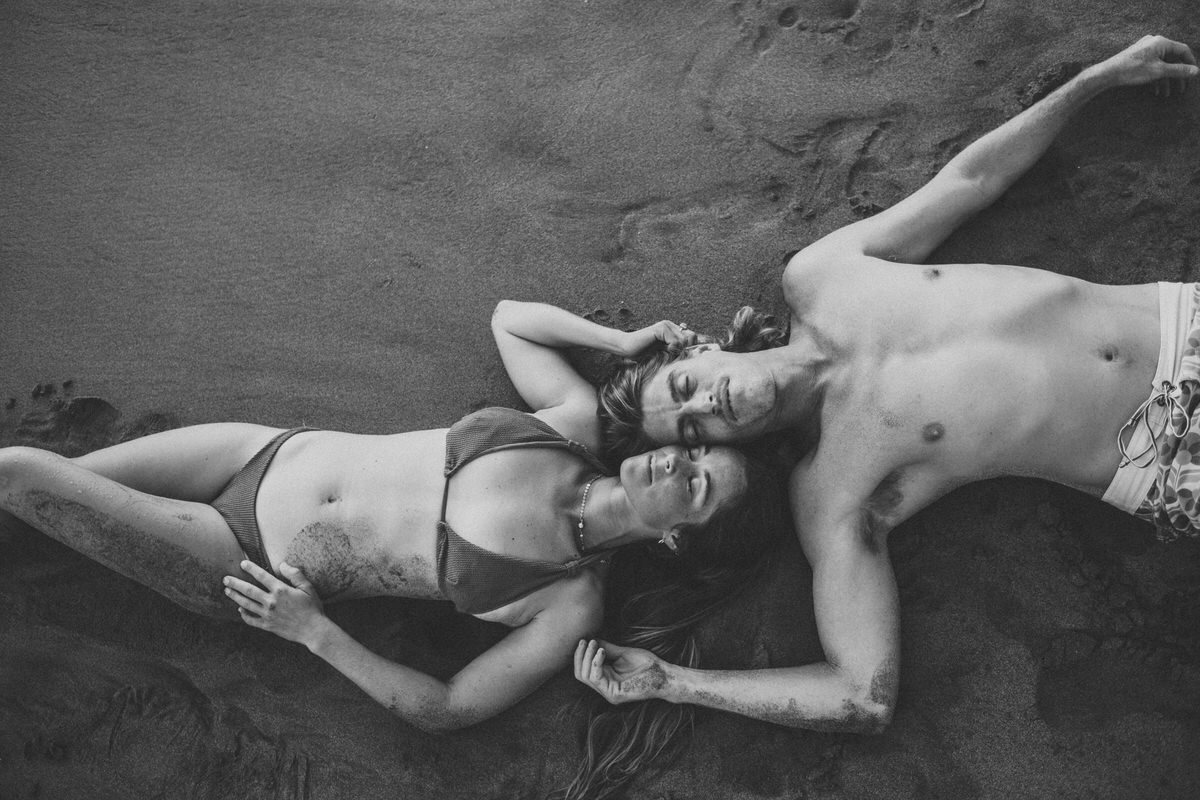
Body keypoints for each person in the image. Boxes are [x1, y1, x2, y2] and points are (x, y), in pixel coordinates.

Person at [567, 35, 1200, 732]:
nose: (704, 407)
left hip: (1179, 318)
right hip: (1167, 458)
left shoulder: (819, 278)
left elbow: (969, 185)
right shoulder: (832, 489)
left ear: (702, 348)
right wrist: (674, 683)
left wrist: (1097, 81)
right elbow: (862, 695)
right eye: (692, 430)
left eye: (684, 384)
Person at [0, 300, 782, 738]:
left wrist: (313, 631)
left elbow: (448, 708)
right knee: (34, 494)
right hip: (260, 451)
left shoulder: (569, 599)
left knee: (19, 473)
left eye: (699, 486)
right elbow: (511, 319)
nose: (678, 463)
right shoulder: (570, 425)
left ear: (681, 535)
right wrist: (619, 340)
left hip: (246, 562)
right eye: (693, 451)